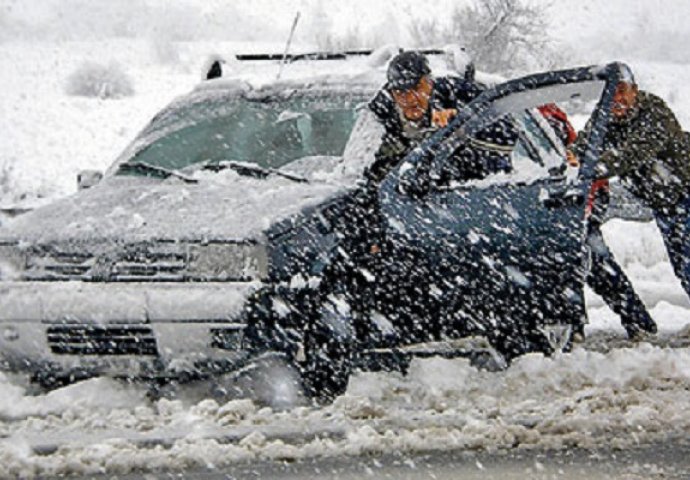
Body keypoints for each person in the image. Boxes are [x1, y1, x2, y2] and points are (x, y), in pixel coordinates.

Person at [572, 71, 690, 310]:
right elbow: (587, 141)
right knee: (681, 262)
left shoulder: (654, 112)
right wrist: (573, 155)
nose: (617, 98)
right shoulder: (604, 113)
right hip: (662, 199)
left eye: (623, 91)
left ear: (634, 90)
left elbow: (630, 154)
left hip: (684, 190)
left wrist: (589, 166)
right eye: (612, 92)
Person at [542, 103, 657, 340]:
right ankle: (632, 322)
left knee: (589, 260)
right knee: (583, 262)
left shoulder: (545, 120)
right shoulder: (538, 116)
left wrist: (583, 210)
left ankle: (632, 323)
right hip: (573, 199)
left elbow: (570, 164)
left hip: (581, 199)